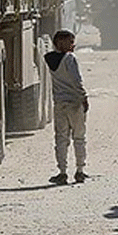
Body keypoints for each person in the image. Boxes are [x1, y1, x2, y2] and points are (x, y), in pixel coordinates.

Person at [44, 29, 89, 185]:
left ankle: (62, 172)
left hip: (59, 104)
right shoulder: (70, 58)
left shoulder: (49, 58)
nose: (73, 45)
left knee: (61, 139)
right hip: (74, 103)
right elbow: (77, 80)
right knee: (79, 137)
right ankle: (80, 171)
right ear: (60, 43)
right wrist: (84, 98)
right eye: (70, 41)